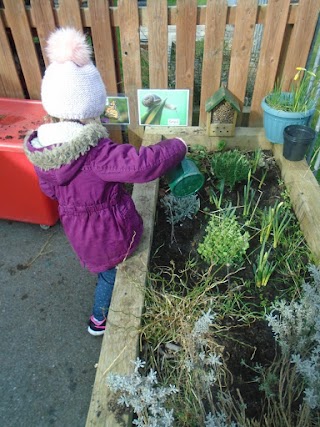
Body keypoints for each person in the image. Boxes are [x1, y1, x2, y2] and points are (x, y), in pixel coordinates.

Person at [24, 27, 187, 336]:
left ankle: (102, 279)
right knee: (111, 275)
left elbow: (49, 189)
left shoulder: (45, 149)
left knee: (102, 266)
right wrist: (177, 146)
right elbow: (142, 166)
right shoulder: (96, 152)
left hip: (78, 231)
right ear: (90, 104)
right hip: (108, 232)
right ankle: (99, 321)